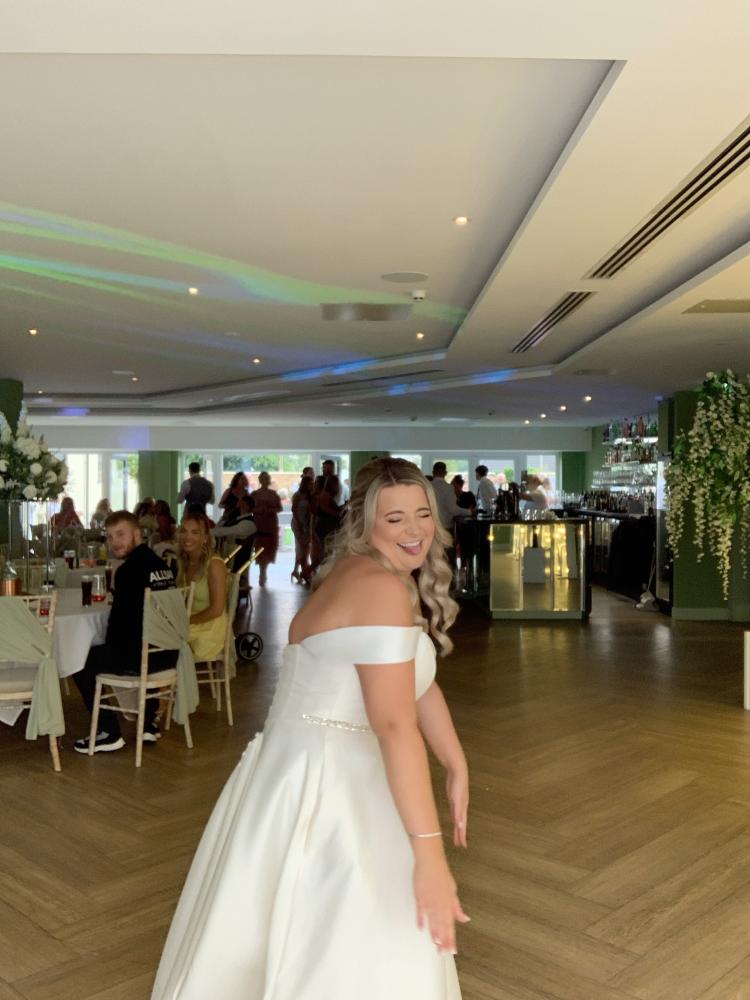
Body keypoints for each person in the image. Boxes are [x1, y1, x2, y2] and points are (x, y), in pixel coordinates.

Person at [151, 458, 470, 999]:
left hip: (297, 770)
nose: (414, 530)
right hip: (332, 785)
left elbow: (416, 681)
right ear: (365, 522)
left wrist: (455, 762)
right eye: (394, 519)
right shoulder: (381, 588)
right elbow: (395, 725)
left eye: (422, 514)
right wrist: (430, 857)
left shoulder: (365, 572)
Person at [73, 511, 176, 753]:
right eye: (109, 537)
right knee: (143, 641)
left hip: (142, 657)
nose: (114, 542)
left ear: (137, 534)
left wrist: (101, 643)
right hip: (168, 653)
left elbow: (119, 629)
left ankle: (108, 731)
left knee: (79, 659)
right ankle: (148, 722)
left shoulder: (128, 571)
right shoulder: (162, 567)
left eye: (121, 534)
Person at [177, 512, 229, 663]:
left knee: (160, 636)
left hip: (210, 628)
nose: (187, 537)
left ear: (205, 538)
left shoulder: (214, 564)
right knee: (152, 629)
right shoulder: (185, 562)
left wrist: (185, 621)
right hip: (192, 622)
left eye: (195, 532)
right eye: (184, 531)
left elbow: (216, 610)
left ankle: (168, 677)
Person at [250, 471, 282, 586]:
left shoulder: (274, 494)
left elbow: (279, 508)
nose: (265, 480)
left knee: (269, 548)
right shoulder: (254, 494)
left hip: (271, 524)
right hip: (259, 524)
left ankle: (264, 570)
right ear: (260, 480)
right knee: (260, 547)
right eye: (263, 478)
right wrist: (258, 510)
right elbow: (249, 508)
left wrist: (270, 510)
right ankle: (262, 572)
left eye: (267, 478)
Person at [290, 474, 313, 583]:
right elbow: (294, 509)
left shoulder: (310, 496)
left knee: (303, 548)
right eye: (310, 484)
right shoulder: (298, 495)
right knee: (302, 546)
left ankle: (297, 570)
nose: (311, 486)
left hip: (306, 524)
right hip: (298, 523)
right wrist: (299, 523)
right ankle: (304, 571)